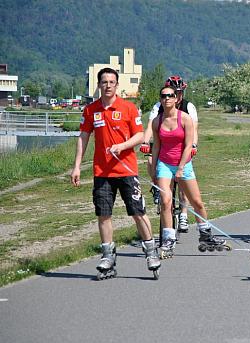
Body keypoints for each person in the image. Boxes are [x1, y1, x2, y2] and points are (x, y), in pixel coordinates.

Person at [70, 67, 160, 277]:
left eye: (112, 82)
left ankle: (150, 250)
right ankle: (108, 255)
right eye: (104, 82)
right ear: (99, 85)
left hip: (126, 170)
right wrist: (76, 166)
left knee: (138, 212)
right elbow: (83, 137)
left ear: (117, 85)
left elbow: (139, 136)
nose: (108, 86)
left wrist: (122, 146)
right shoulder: (91, 110)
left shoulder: (128, 108)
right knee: (103, 214)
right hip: (102, 172)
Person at [151, 85, 227, 253]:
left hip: (183, 163)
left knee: (197, 202)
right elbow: (156, 147)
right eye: (163, 96)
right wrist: (155, 170)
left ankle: (205, 234)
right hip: (164, 163)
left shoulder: (185, 119)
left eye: (171, 95)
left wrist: (180, 168)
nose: (167, 99)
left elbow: (188, 146)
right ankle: (169, 239)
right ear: (160, 99)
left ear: (176, 98)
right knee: (165, 201)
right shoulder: (157, 121)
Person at [140, 75, 198, 233]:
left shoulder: (189, 107)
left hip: (182, 144)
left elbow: (195, 129)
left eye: (179, 93)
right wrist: (145, 142)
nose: (176, 96)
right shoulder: (158, 106)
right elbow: (150, 127)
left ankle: (184, 214)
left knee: (183, 181)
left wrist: (193, 145)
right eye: (173, 92)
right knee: (151, 161)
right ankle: (158, 188)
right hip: (162, 141)